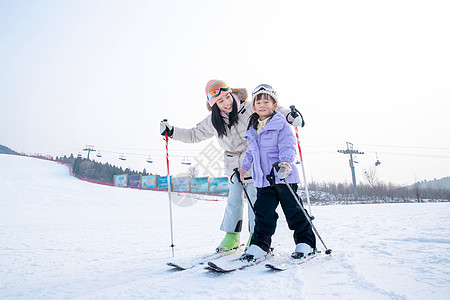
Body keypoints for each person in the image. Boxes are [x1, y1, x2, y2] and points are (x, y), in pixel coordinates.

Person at [160, 80, 303, 253]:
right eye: (220, 101)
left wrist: (290, 116)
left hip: (254, 158)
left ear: (232, 93)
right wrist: (172, 131)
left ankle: (255, 237)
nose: (227, 103)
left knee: (256, 199)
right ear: (214, 105)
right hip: (233, 164)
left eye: (227, 96)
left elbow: (274, 109)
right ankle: (231, 236)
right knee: (234, 200)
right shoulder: (214, 121)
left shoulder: (248, 107)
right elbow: (194, 134)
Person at [239, 84, 316, 262]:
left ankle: (305, 243)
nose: (262, 105)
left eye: (267, 101)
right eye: (258, 101)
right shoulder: (252, 129)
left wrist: (286, 163)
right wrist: (244, 168)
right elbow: (251, 152)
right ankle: (260, 245)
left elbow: (288, 146)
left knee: (293, 210)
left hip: (282, 176)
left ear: (275, 106)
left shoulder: (281, 125)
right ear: (253, 107)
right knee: (263, 213)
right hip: (263, 180)